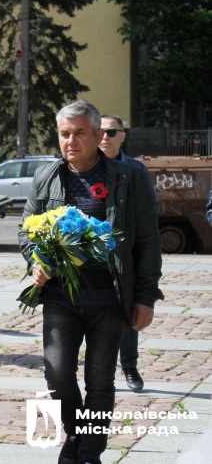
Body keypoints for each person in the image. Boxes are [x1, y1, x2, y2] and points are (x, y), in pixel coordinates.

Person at [18, 100, 163, 464]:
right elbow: (27, 232)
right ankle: (76, 435)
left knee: (100, 380)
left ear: (99, 136)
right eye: (65, 134)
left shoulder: (129, 177)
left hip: (110, 300)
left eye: (80, 133)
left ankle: (89, 451)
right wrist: (36, 260)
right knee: (58, 375)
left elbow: (148, 239)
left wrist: (145, 297)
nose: (71, 141)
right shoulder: (46, 177)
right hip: (60, 297)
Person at [99, 114, 158, 392]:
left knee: (128, 314)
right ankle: (97, 370)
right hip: (92, 258)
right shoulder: (84, 168)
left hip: (127, 256)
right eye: (99, 131)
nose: (105, 137)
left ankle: (130, 366)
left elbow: (149, 217)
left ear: (123, 136)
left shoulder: (136, 170)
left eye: (112, 132)